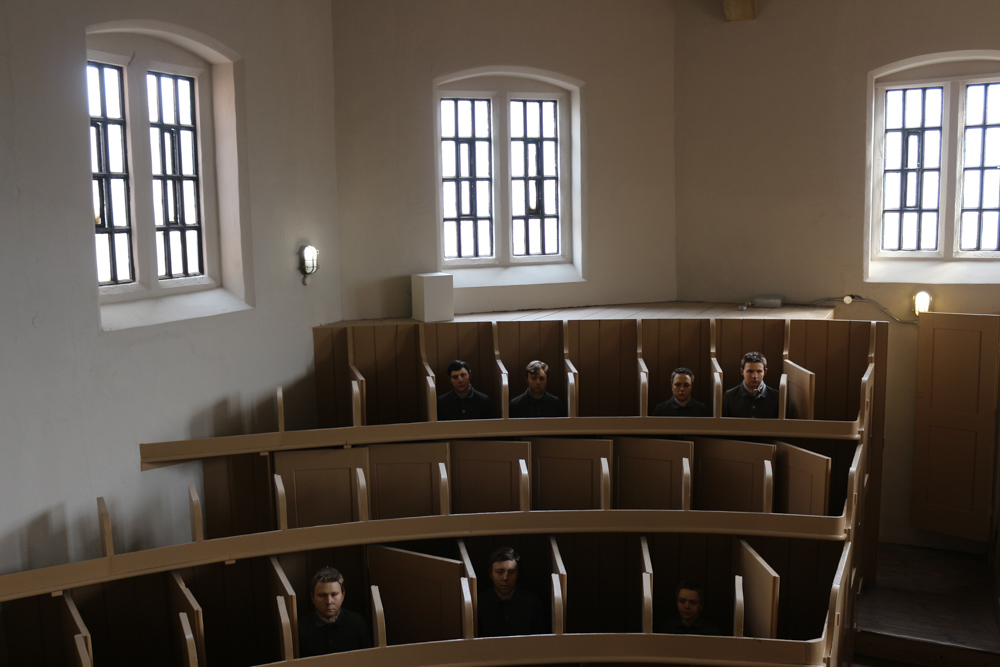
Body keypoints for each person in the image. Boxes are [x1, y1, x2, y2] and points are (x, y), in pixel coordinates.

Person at [298, 567, 372, 657]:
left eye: (334, 595)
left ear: (343, 595)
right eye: (322, 595)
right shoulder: (301, 628)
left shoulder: (357, 623)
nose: (329, 601)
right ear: (313, 597)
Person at [478, 546, 549, 637]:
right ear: (491, 574)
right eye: (500, 572)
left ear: (517, 573)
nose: (505, 578)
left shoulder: (532, 603)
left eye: (511, 572)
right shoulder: (480, 603)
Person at [721, 351, 779, 418]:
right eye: (750, 371)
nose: (754, 376)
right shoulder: (729, 397)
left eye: (759, 371)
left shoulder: (776, 397)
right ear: (742, 371)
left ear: (765, 372)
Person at [655, 580, 720, 635]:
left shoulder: (712, 633)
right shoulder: (664, 630)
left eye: (693, 602)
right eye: (682, 601)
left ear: (701, 605)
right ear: (677, 603)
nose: (687, 606)